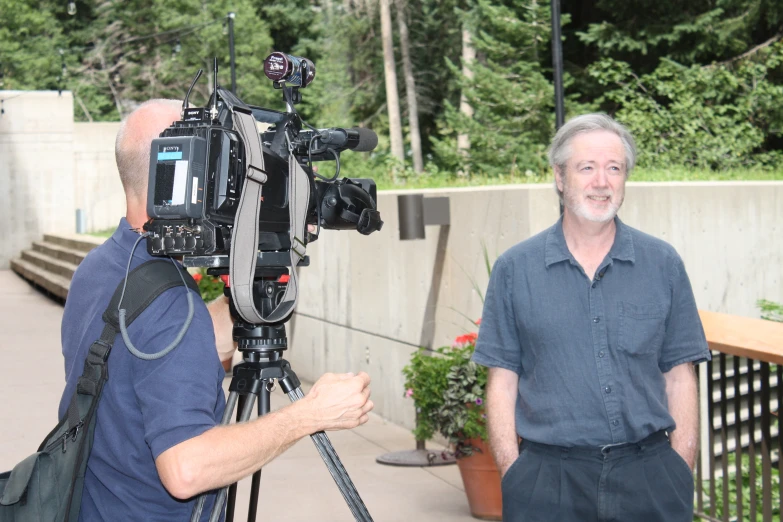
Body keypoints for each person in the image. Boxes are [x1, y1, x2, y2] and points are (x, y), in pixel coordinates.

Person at [58, 99, 373, 521]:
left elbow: (149, 347)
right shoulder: (172, 303)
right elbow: (186, 470)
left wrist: (266, 264)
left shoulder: (103, 267)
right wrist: (310, 414)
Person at [472, 113, 710, 522]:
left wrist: (679, 467)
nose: (602, 181)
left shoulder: (662, 263)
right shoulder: (515, 269)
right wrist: (514, 473)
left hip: (651, 478)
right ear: (560, 177)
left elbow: (680, 374)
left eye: (614, 168)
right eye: (587, 167)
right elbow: (502, 382)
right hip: (548, 483)